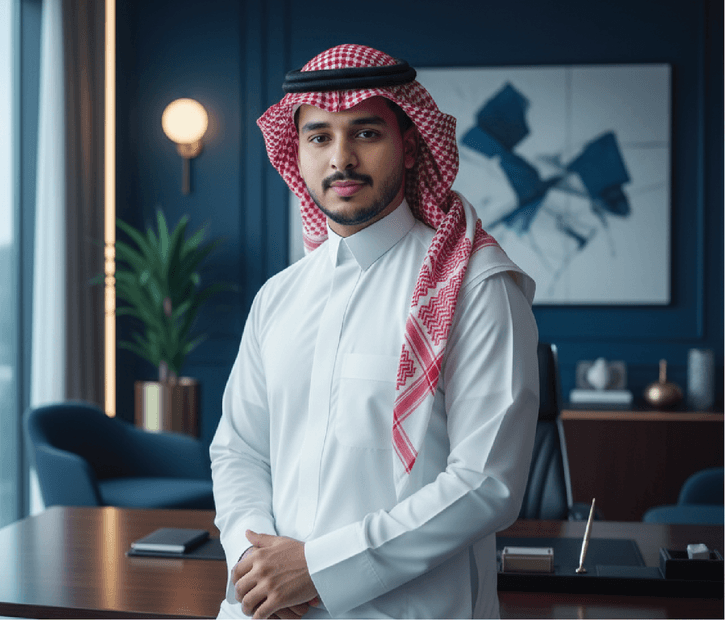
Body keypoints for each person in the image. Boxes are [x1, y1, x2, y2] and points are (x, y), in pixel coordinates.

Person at [210, 44, 540, 619]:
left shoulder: (476, 286)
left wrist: (317, 569)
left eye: (365, 133)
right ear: (298, 152)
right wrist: (254, 562)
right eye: (319, 137)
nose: (341, 159)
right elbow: (238, 449)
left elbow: (486, 483)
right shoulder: (278, 298)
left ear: (410, 147)